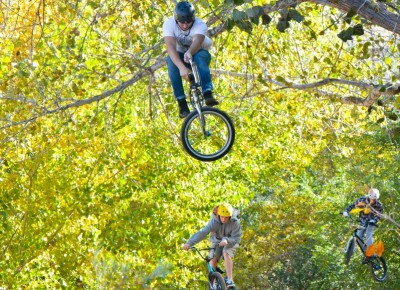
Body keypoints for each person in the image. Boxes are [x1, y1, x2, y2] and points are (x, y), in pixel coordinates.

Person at [163, 1, 219, 118]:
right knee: (170, 60)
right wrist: (182, 68)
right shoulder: (169, 24)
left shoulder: (200, 24)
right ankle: (182, 103)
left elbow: (197, 41)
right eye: (181, 23)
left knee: (199, 57)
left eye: (188, 22)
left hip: (199, 52)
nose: (184, 26)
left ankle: (207, 93)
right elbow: (170, 47)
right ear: (176, 19)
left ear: (193, 19)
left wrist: (189, 52)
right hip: (180, 55)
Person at [182, 203, 242, 289]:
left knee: (226, 253)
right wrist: (189, 243)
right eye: (222, 217)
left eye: (226, 217)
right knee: (212, 259)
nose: (224, 219)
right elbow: (202, 233)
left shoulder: (235, 223)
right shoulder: (214, 222)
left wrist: (226, 241)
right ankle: (214, 283)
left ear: (230, 216)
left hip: (231, 241)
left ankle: (230, 279)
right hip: (217, 241)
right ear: (218, 215)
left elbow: (236, 237)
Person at [343, 188, 384, 254]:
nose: (373, 200)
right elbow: (352, 205)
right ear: (369, 196)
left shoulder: (379, 205)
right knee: (358, 237)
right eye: (372, 199)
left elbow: (380, 214)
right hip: (362, 221)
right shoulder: (362, 200)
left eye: (374, 199)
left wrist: (374, 220)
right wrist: (346, 211)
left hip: (371, 222)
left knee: (368, 235)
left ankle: (371, 252)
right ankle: (365, 252)